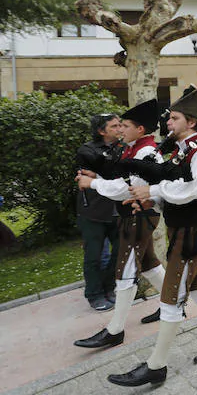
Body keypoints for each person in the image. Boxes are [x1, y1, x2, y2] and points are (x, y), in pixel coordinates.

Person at [107, 87, 197, 387]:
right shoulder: (184, 150)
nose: (168, 122)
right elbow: (177, 187)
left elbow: (195, 190)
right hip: (182, 227)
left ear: (191, 122)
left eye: (175, 117)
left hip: (192, 232)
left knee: (171, 297)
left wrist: (152, 191)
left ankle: (157, 365)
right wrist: (154, 201)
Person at [74, 100, 165, 349]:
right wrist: (98, 176)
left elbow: (127, 187)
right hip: (131, 215)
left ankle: (115, 330)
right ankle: (174, 304)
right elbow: (122, 178)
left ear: (141, 128)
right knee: (149, 265)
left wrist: (92, 184)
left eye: (125, 125)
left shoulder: (145, 152)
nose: (121, 130)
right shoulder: (133, 148)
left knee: (125, 272)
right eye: (118, 125)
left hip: (139, 215)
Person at [75, 113, 123, 312]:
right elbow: (111, 171)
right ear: (101, 131)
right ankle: (94, 294)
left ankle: (109, 288)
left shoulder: (123, 147)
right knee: (93, 256)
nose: (120, 129)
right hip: (93, 212)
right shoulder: (87, 151)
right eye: (114, 126)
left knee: (119, 252)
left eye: (121, 124)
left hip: (118, 210)